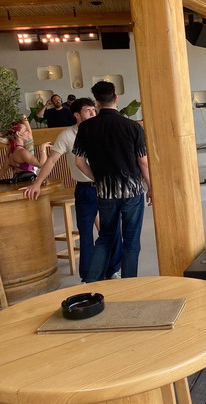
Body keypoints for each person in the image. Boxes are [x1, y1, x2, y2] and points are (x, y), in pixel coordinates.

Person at [24, 98, 123, 283]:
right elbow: (52, 160)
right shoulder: (67, 135)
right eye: (87, 110)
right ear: (77, 114)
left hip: (107, 187)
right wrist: (37, 183)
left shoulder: (103, 129)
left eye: (93, 109)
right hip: (85, 189)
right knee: (85, 233)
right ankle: (88, 276)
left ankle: (112, 270)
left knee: (113, 229)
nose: (93, 113)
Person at [73, 81, 151, 283]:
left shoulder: (86, 128)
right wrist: (151, 187)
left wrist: (97, 179)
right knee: (131, 241)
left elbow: (79, 162)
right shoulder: (133, 127)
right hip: (132, 191)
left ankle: (91, 282)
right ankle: (129, 285)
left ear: (97, 102)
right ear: (116, 98)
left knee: (105, 238)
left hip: (105, 192)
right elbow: (143, 162)